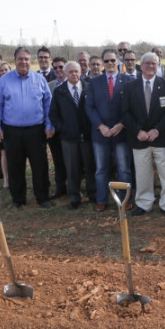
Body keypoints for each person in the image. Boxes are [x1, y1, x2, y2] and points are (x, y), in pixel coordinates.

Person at [0, 47, 54, 209]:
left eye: (26, 59)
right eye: (20, 59)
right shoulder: (4, 80)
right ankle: (18, 199)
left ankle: (43, 197)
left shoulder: (39, 79)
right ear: (15, 60)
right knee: (15, 166)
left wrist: (49, 124)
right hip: (12, 131)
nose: (24, 62)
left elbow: (48, 103)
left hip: (36, 130)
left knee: (40, 165)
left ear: (30, 61)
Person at [122, 52, 165, 217]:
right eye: (147, 63)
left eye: (154, 63)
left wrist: (157, 130)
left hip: (162, 137)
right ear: (141, 65)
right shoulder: (130, 87)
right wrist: (137, 131)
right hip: (139, 138)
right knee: (142, 173)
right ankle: (144, 203)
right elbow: (125, 113)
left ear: (158, 65)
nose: (150, 66)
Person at [85, 49, 132, 212]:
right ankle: (101, 199)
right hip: (101, 133)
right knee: (101, 169)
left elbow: (132, 107)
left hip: (121, 132)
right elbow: (89, 107)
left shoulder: (128, 81)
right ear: (103, 63)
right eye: (107, 61)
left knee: (123, 168)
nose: (110, 63)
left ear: (118, 61)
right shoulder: (94, 82)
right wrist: (101, 126)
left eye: (113, 60)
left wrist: (121, 125)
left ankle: (125, 199)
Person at [49, 61, 96, 209]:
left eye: (76, 71)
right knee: (72, 168)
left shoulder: (89, 88)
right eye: (70, 72)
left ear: (81, 72)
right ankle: (74, 197)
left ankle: (93, 194)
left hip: (87, 136)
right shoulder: (59, 91)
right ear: (65, 73)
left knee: (90, 167)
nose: (74, 74)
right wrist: (63, 129)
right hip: (68, 138)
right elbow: (53, 114)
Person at [47, 57, 68, 200]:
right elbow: (46, 108)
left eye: (61, 67)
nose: (58, 70)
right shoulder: (49, 86)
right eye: (55, 68)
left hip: (71, 130)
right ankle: (60, 188)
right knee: (58, 161)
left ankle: (75, 187)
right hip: (55, 131)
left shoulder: (76, 83)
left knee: (73, 161)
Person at [0, 61, 11, 188]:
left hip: (14, 124)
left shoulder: (16, 84)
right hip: (2, 125)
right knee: (4, 153)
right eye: (1, 71)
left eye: (6, 69)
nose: (4, 72)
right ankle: (6, 179)